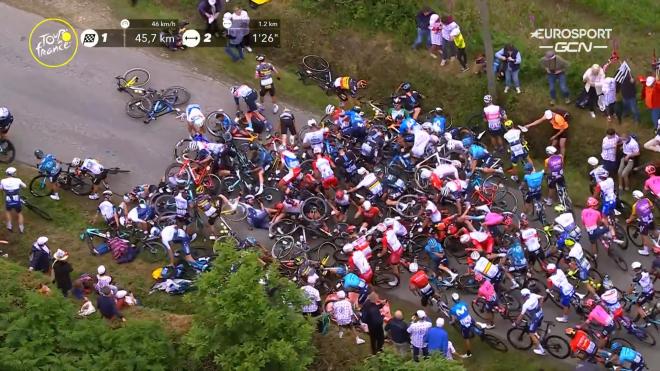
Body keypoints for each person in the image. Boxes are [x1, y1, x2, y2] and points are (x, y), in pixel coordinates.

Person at [513, 288, 546, 355]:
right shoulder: (533, 295)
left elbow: (521, 316)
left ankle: (542, 350)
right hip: (541, 314)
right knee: (533, 324)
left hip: (535, 318)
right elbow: (542, 297)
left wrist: (516, 323)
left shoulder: (526, 304)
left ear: (524, 296)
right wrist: (540, 306)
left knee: (531, 333)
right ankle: (537, 334)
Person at [627, 191, 655, 256]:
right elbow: (652, 207)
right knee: (654, 231)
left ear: (636, 197)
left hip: (644, 222)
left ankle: (645, 251)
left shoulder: (635, 206)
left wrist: (629, 220)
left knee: (644, 235)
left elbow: (633, 215)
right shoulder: (647, 200)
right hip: (651, 218)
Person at [449, 293, 475, 358]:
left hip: (464, 323)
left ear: (453, 300)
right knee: (473, 324)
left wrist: (451, 322)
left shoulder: (452, 309)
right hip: (469, 318)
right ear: (459, 298)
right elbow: (467, 310)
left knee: (466, 338)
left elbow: (453, 319)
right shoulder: (463, 303)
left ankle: (469, 353)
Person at [0, 167, 26, 233]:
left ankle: (9, 226)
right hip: (17, 199)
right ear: (13, 173)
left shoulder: (3, 181)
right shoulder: (18, 180)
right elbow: (24, 186)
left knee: (8, 211)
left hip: (8, 199)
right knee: (19, 213)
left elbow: (1, 188)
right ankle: (21, 228)